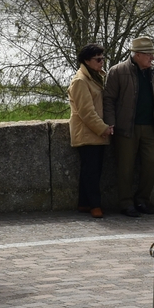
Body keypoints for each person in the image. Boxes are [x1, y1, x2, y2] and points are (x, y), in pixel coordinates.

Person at [102, 35, 154, 217]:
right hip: (126, 128)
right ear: (137, 55)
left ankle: (143, 200)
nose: (153, 58)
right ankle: (126, 203)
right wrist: (110, 123)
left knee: (150, 165)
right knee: (125, 167)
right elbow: (108, 99)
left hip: (151, 127)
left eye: (153, 54)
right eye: (149, 54)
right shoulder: (117, 71)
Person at [68, 43, 112, 219]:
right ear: (86, 60)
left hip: (92, 133)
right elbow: (86, 111)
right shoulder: (80, 81)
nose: (102, 62)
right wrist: (103, 129)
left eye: (103, 59)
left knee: (91, 169)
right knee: (92, 171)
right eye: (98, 59)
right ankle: (95, 205)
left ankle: (84, 203)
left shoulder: (94, 77)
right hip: (87, 133)